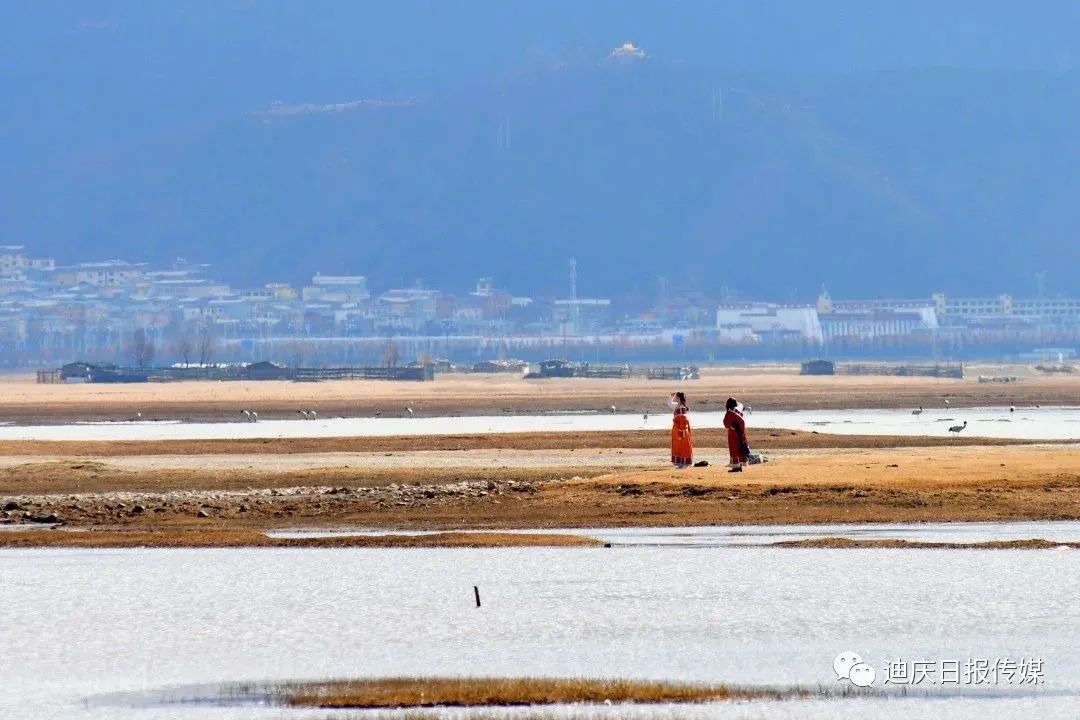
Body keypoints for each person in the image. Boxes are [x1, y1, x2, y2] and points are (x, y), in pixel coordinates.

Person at [723, 397, 750, 471]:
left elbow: (726, 423)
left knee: (734, 449)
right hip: (740, 432)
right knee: (739, 448)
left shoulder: (730, 413)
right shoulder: (738, 411)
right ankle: (740, 465)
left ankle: (736, 467)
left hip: (733, 433)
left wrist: (731, 426)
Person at [670, 391, 693, 468]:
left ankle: (684, 463)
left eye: (676, 397)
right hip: (678, 428)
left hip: (682, 428)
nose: (675, 398)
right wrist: (672, 397)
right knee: (679, 445)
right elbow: (670, 403)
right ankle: (681, 462)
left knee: (683, 445)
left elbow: (683, 419)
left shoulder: (682, 408)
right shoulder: (678, 406)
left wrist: (681, 430)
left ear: (679, 398)